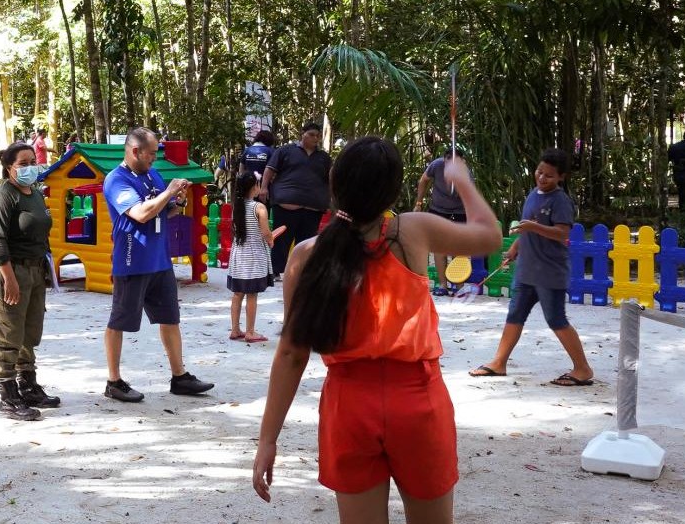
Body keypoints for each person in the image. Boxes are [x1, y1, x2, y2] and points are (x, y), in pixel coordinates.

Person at [253, 137, 499, 522]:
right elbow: (489, 235)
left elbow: (291, 353)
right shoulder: (411, 231)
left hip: (348, 408)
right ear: (393, 190)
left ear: (333, 182)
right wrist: (462, 181)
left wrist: (267, 440)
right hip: (417, 403)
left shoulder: (306, 255)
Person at [101, 127, 214, 403]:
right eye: (151, 153)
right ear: (135, 151)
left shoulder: (153, 174)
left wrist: (177, 201)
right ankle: (113, 381)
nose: (155, 158)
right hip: (132, 261)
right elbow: (140, 213)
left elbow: (163, 210)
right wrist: (169, 191)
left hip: (160, 261)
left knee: (170, 318)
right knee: (120, 320)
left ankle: (180, 376)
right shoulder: (116, 180)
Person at [469, 148, 595, 387]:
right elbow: (529, 228)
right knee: (514, 315)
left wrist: (532, 229)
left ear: (561, 177)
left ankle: (583, 369)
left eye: (548, 175)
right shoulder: (532, 194)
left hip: (550, 272)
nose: (541, 177)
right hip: (527, 270)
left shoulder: (560, 201)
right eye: (539, 171)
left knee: (557, 319)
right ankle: (499, 362)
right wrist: (517, 246)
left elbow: (562, 233)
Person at [0, 142, 60, 421]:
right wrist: (10, 280)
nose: (31, 167)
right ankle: (7, 394)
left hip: (35, 270)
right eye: (23, 163)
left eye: (33, 161)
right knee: (9, 332)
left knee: (29, 330)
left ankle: (28, 384)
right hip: (10, 271)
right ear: (9, 167)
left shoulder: (35, 194)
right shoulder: (2, 198)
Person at [261, 122, 331, 280]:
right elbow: (269, 169)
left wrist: (332, 199)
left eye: (318, 136)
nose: (315, 138)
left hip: (313, 205)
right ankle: (276, 271)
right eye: (312, 135)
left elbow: (330, 179)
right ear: (303, 134)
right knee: (282, 239)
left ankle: (302, 272)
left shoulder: (324, 157)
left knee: (307, 241)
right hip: (286, 202)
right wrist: (264, 187)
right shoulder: (286, 150)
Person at [228, 171, 285, 343]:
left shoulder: (236, 207)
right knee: (252, 294)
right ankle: (250, 332)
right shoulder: (259, 208)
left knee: (238, 293)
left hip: (238, 255)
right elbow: (266, 232)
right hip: (254, 255)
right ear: (255, 187)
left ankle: (235, 329)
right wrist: (271, 240)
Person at [414, 148, 470, 295]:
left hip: (459, 211)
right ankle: (442, 285)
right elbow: (423, 180)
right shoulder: (436, 165)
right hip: (438, 209)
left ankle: (459, 286)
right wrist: (419, 203)